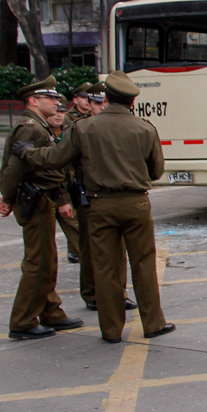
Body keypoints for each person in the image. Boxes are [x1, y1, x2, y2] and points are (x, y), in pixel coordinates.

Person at [14, 71, 173, 344]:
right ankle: (154, 323)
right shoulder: (145, 128)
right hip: (136, 203)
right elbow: (157, 170)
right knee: (144, 264)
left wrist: (27, 152)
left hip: (100, 204)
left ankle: (111, 330)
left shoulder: (84, 128)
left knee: (105, 268)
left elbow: (55, 159)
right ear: (131, 103)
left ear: (105, 99)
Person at [0, 76, 83, 340]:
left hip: (46, 197)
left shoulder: (38, 126)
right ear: (34, 101)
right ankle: (23, 320)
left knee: (48, 261)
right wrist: (8, 198)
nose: (57, 103)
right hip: (37, 200)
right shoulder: (31, 128)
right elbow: (13, 169)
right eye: (51, 99)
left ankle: (51, 312)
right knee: (39, 263)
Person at [74, 82, 137, 313]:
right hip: (87, 193)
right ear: (88, 104)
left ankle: (118, 292)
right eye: (97, 103)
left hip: (110, 196)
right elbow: (66, 164)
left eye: (104, 102)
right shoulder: (81, 127)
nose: (101, 107)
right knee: (90, 248)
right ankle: (92, 293)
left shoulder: (114, 126)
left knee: (118, 250)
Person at [48, 97, 81, 263]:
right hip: (49, 193)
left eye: (62, 112)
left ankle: (77, 253)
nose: (59, 115)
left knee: (76, 228)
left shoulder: (66, 132)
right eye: (55, 112)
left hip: (66, 190)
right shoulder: (40, 133)